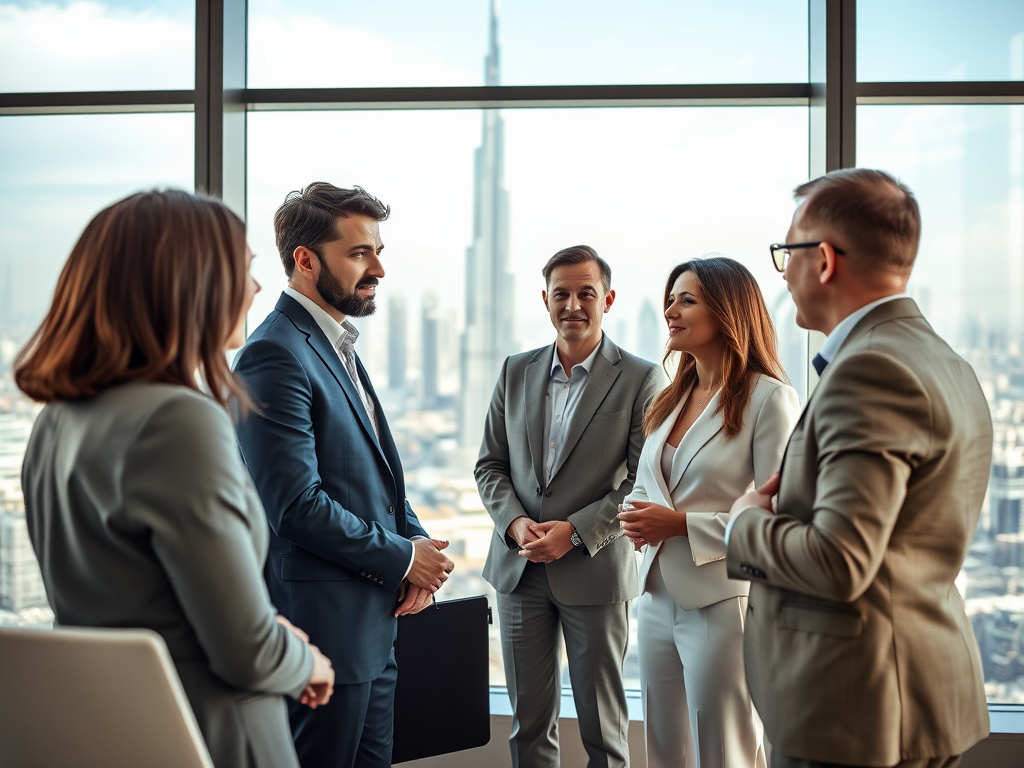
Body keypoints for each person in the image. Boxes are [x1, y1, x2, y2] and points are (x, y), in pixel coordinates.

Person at [15, 189, 335, 768]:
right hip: (211, 735)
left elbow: (134, 597)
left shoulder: (56, 420)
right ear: (192, 284)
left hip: (106, 732)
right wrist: (306, 660)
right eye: (244, 270)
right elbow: (244, 653)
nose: (257, 289)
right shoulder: (178, 420)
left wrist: (264, 630)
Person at [726, 168, 991, 768]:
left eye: (786, 253)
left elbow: (840, 559)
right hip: (896, 694)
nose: (785, 272)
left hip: (853, 711)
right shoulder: (942, 360)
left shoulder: (871, 370)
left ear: (822, 260)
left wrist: (743, 522)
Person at [233, 182, 453, 768]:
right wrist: (405, 560)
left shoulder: (336, 345)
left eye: (378, 250)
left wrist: (416, 545)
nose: (378, 267)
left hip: (371, 630)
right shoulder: (275, 353)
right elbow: (296, 504)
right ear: (304, 260)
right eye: (359, 252)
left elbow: (376, 478)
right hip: (323, 633)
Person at [476, 245, 663, 768]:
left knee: (604, 731)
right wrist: (516, 526)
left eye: (586, 293)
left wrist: (575, 532)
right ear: (545, 300)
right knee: (528, 729)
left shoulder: (640, 379)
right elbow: (489, 466)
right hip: (519, 571)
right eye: (561, 294)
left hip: (594, 571)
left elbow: (642, 483)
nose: (573, 305)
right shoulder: (515, 371)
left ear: (608, 298)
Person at [617, 256, 800, 768]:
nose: (670, 310)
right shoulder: (670, 397)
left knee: (725, 750)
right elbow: (650, 482)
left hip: (722, 600)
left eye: (687, 300)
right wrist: (638, 515)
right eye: (670, 298)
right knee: (663, 749)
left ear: (726, 312)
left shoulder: (770, 400)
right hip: (654, 594)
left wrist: (678, 525)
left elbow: (779, 519)